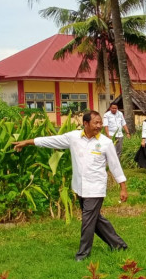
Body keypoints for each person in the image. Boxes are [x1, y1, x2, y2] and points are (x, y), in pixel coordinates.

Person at [12, 110, 129, 261]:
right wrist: (28, 142)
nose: (99, 126)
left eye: (100, 123)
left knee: (87, 221)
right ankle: (119, 245)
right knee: (95, 219)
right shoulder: (73, 137)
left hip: (95, 189)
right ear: (85, 124)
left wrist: (123, 187)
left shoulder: (105, 143)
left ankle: (82, 255)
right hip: (80, 187)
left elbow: (115, 166)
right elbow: (51, 140)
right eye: (96, 123)